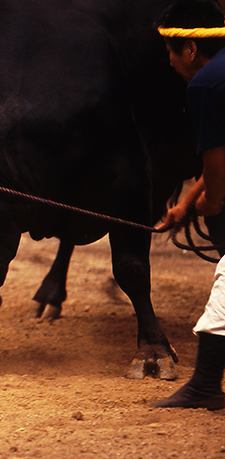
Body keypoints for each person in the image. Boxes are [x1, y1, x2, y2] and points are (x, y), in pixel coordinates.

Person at [152, 0, 225, 410]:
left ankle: (204, 385)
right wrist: (187, 201)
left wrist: (210, 203)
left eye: (171, 50)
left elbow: (216, 163)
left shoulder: (204, 86)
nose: (169, 60)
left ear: (191, 49)